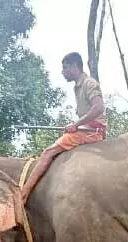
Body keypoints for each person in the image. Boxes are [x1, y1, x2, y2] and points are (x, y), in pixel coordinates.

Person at [20, 52, 107, 203]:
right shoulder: (78, 86)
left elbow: (99, 108)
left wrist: (76, 125)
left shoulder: (89, 83)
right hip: (86, 129)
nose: (63, 72)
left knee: (48, 152)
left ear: (75, 66)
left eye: (65, 68)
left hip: (93, 131)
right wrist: (76, 125)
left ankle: (23, 194)